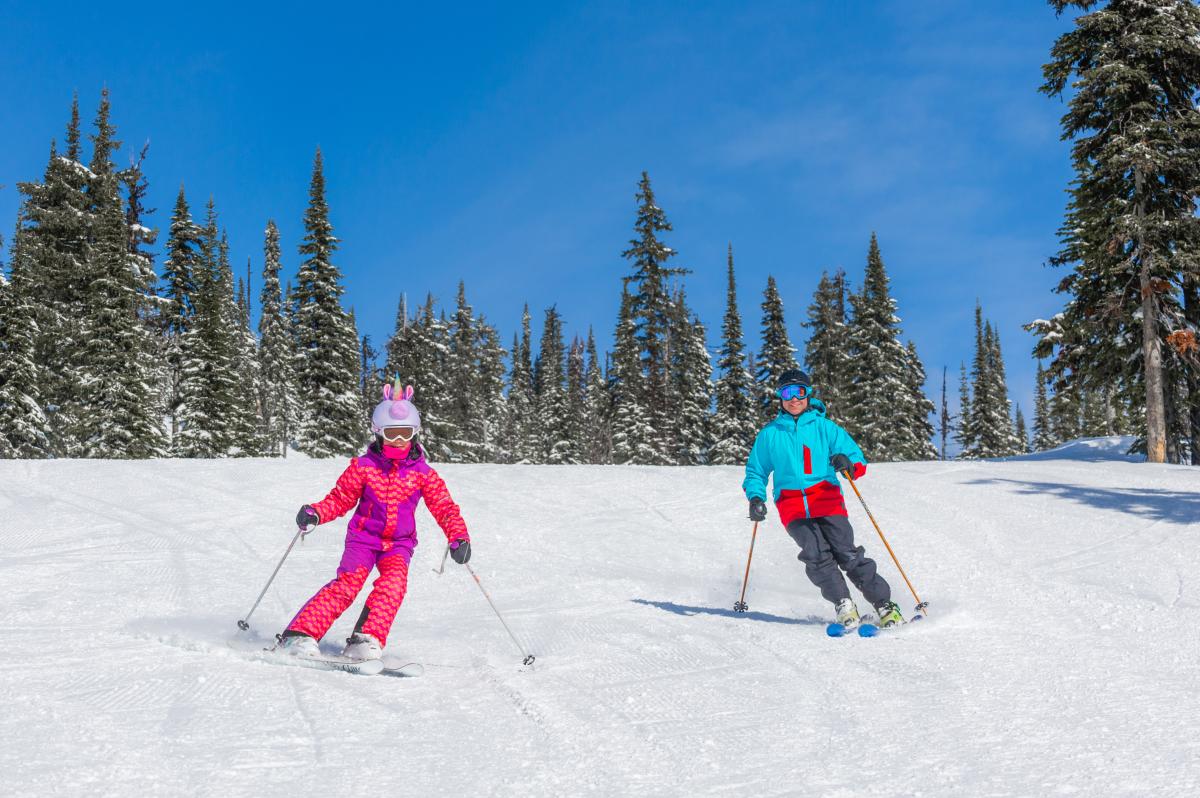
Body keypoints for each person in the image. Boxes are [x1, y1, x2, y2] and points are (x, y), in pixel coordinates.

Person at [277, 379, 471, 660]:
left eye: (405, 433)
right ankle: (299, 635)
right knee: (348, 584)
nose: (399, 441)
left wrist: (459, 537)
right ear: (379, 433)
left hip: (398, 545)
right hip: (363, 540)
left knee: (393, 586)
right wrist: (317, 511)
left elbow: (445, 507)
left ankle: (365, 639)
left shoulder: (423, 474)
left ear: (415, 434)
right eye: (392, 434)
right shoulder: (363, 468)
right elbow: (341, 498)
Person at [742, 369, 903, 628]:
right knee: (815, 555)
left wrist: (847, 463)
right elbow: (756, 471)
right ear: (780, 397)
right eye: (787, 393)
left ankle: (884, 604)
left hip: (826, 498)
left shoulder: (825, 428)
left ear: (807, 395)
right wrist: (756, 497)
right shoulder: (770, 434)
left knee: (847, 553)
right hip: (791, 504)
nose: (793, 399)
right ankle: (844, 604)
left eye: (799, 392)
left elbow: (856, 458)